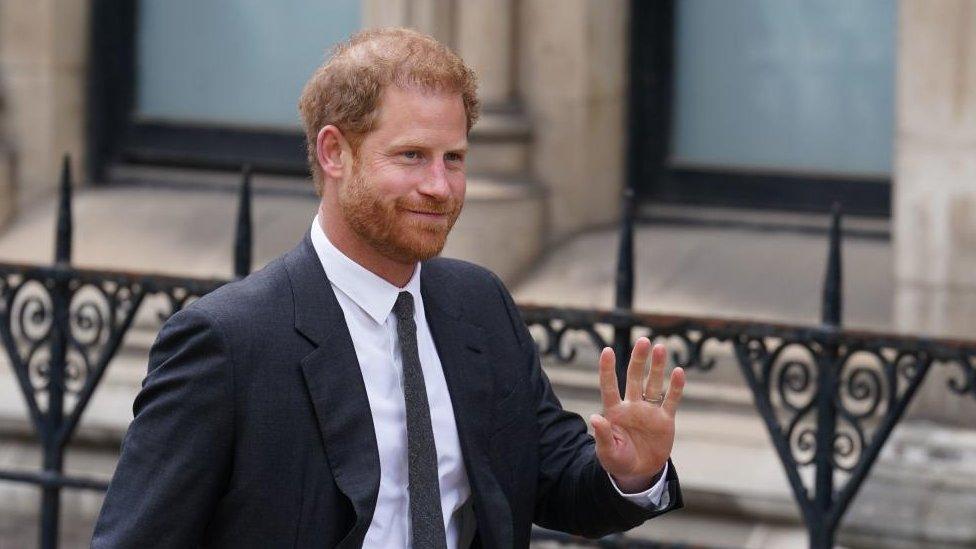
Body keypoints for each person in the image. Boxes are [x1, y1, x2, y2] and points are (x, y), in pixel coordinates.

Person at [92, 27, 684, 548]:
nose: (440, 186)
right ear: (334, 153)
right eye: (411, 156)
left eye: (453, 158)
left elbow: (553, 480)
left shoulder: (479, 305)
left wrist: (631, 472)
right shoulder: (229, 341)